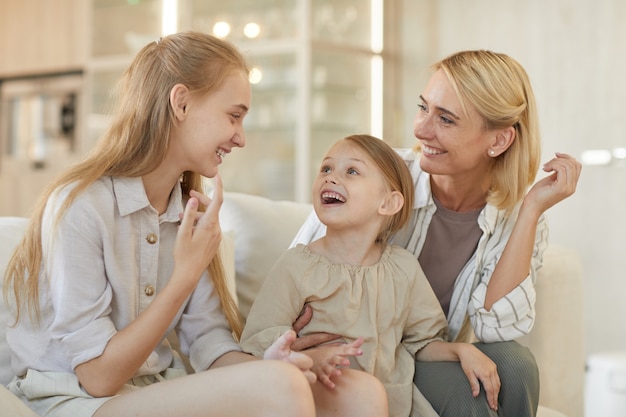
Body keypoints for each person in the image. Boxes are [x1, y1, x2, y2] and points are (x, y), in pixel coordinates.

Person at [2, 32, 386, 417]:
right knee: (281, 387)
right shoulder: (81, 205)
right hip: (76, 400)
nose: (240, 137)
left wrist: (272, 364)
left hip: (152, 388)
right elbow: (97, 377)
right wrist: (184, 274)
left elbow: (209, 345)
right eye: (233, 116)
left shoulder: (188, 213)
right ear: (181, 103)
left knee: (359, 393)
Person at [291, 50, 583, 416]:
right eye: (423, 107)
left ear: (499, 141)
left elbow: (498, 329)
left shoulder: (517, 216)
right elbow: (298, 271)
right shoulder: (375, 175)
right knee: (467, 397)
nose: (421, 129)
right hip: (365, 353)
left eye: (445, 119)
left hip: (431, 350)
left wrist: (530, 211)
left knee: (515, 363)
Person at [241, 134, 502, 417]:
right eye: (326, 169)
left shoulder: (403, 268)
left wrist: (460, 351)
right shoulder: (297, 265)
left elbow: (422, 342)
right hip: (319, 402)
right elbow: (259, 340)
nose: (330, 178)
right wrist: (311, 358)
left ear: (389, 203)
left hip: (394, 406)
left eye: (351, 171)